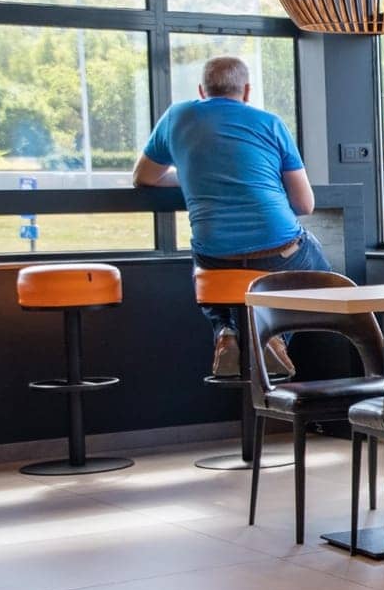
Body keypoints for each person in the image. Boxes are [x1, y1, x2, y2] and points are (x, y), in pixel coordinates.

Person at [132, 56, 327, 377]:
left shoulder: (177, 117)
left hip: (216, 254)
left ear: (201, 90)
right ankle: (273, 336)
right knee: (320, 272)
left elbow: (144, 177)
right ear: (247, 91)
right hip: (278, 252)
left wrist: (195, 175)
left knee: (206, 269)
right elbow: (305, 204)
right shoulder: (270, 123)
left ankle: (226, 332)